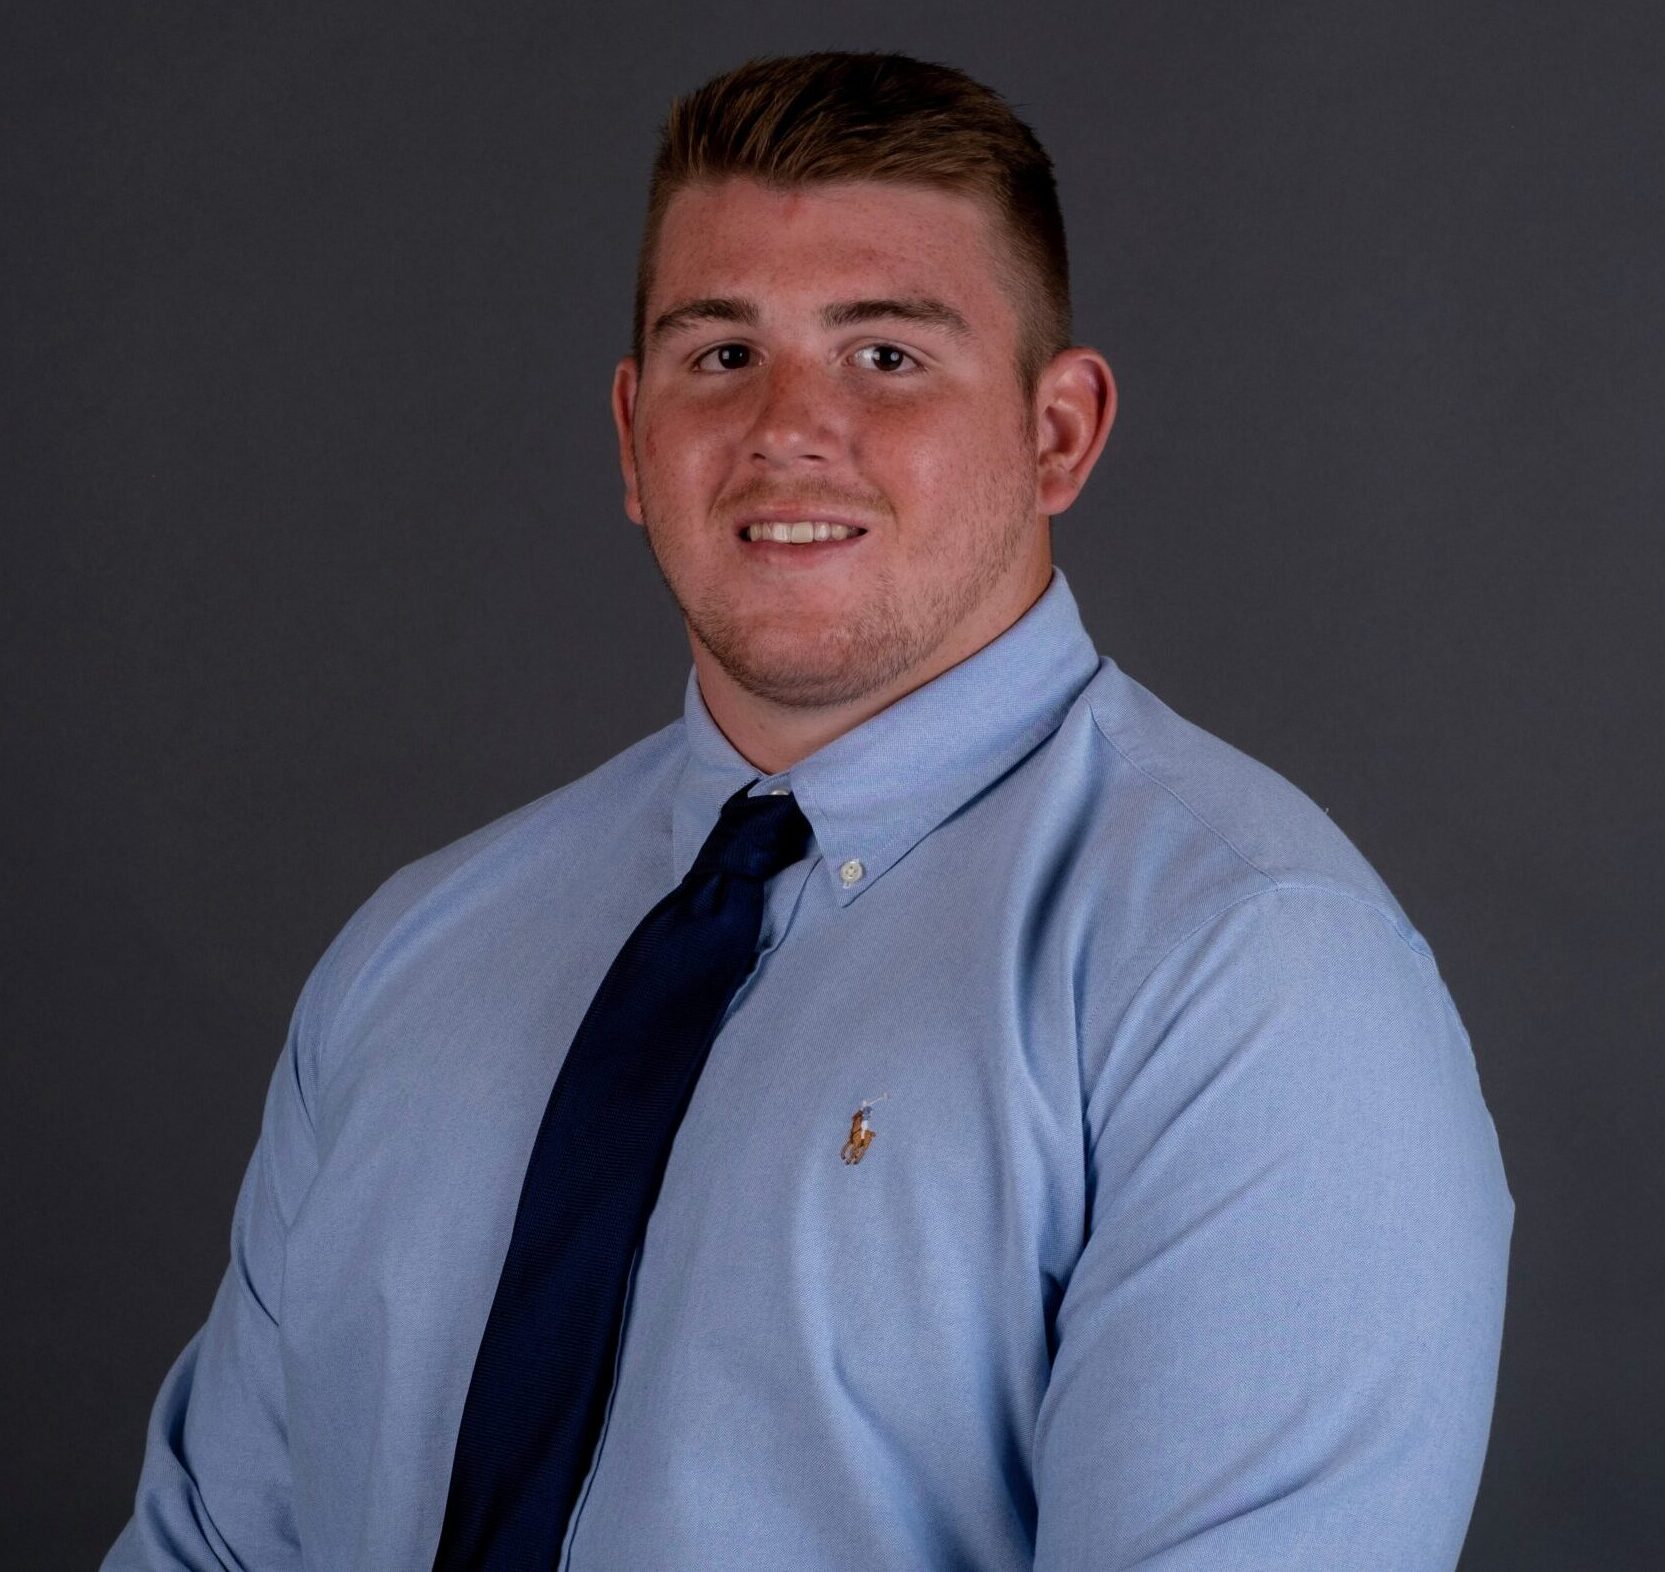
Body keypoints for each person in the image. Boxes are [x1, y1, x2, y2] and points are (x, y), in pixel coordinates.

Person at [104, 51, 1513, 1572]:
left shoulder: (1250, 975)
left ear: (1056, 433)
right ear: (632, 434)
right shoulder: (413, 956)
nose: (786, 427)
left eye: (886, 355)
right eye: (721, 354)